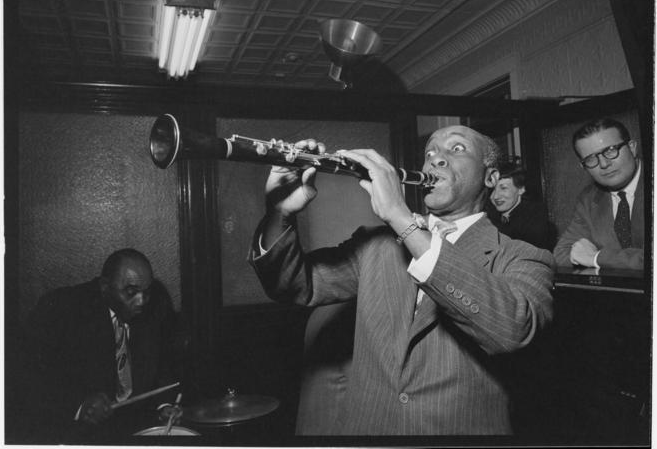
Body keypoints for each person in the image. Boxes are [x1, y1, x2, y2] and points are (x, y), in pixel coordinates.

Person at [248, 126, 554, 435]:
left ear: (490, 178)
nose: (436, 159)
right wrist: (279, 212)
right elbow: (296, 285)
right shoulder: (375, 244)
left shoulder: (523, 256)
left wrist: (400, 217)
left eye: (456, 149)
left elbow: (512, 329)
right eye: (430, 152)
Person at [20, 248, 180, 443]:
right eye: (131, 292)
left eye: (146, 292)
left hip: (136, 426)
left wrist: (164, 405)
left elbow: (162, 366)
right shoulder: (63, 310)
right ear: (105, 286)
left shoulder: (154, 306)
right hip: (80, 433)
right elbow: (31, 376)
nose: (141, 301)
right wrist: (80, 406)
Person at [553, 118, 644, 270]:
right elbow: (561, 253)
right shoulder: (589, 198)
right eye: (590, 159)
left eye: (610, 150)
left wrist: (596, 258)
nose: (604, 164)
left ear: (632, 148)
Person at [486, 163, 553, 250]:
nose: (495, 196)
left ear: (521, 189)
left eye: (503, 188)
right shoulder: (488, 215)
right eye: (493, 189)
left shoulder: (534, 219)